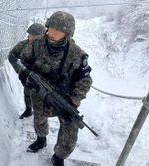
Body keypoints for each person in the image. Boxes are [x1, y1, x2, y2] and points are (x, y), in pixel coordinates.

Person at [20, 11, 92, 166]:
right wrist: (26, 78)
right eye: (50, 29)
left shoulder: (77, 54)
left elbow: (85, 80)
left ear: (67, 34)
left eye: (57, 31)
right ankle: (41, 140)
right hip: (40, 93)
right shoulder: (36, 44)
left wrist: (73, 101)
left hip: (64, 97)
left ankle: (59, 156)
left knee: (71, 126)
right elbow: (23, 61)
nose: (52, 33)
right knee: (39, 118)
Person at [8, 23, 46, 119]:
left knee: (42, 98)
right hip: (28, 76)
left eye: (34, 36)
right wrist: (20, 71)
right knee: (27, 92)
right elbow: (11, 57)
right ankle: (28, 110)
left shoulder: (47, 47)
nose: (31, 38)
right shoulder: (23, 45)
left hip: (44, 78)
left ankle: (41, 116)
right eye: (30, 35)